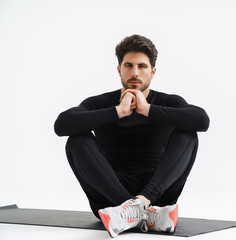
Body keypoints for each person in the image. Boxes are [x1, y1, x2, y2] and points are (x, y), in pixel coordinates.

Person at [54, 34, 210, 237]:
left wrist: (148, 110)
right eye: (128, 65)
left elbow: (202, 120)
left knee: (189, 134)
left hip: (157, 198)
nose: (135, 73)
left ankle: (139, 206)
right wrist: (116, 112)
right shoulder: (101, 103)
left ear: (153, 72)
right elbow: (61, 125)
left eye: (142, 66)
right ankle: (130, 208)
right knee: (76, 140)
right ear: (119, 69)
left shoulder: (167, 101)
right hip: (110, 199)